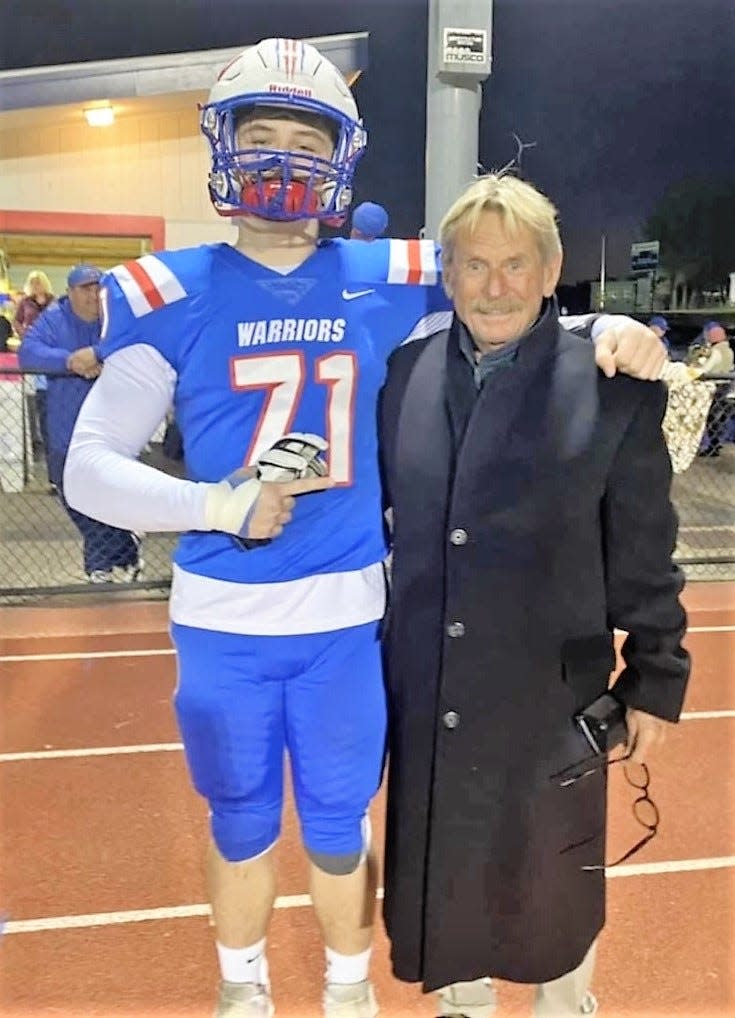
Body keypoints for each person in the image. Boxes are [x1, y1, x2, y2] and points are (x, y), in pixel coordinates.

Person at [63, 38, 667, 1018]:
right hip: (222, 608)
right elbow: (91, 471)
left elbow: (502, 294)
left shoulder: (389, 272)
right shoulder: (169, 290)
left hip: (349, 612)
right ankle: (244, 986)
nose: (281, 162)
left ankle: (350, 992)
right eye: (259, 137)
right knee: (242, 820)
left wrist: (594, 328)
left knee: (343, 822)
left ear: (343, 157)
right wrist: (216, 505)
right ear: (220, 146)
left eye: (306, 141)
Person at [378, 173, 691, 1018]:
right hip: (430, 687)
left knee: (552, 883)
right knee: (446, 880)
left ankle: (566, 1005)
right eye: (473, 265)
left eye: (515, 263)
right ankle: (463, 1006)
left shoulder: (612, 386)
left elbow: (643, 550)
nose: (494, 286)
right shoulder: (404, 374)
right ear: (447, 275)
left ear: (551, 270)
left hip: (550, 693)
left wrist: (657, 677)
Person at [18, 265, 143, 582]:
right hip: (66, 427)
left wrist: (100, 355)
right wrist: (70, 361)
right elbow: (29, 353)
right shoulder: (54, 317)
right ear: (70, 292)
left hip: (112, 428)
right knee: (69, 492)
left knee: (106, 494)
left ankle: (100, 565)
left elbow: (139, 345)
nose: (93, 295)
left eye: (97, 288)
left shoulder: (115, 317)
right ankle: (125, 544)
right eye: (85, 289)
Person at [14, 269, 55, 474]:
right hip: (32, 349)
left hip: (50, 349)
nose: (36, 285)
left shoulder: (53, 302)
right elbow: (16, 321)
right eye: (33, 282)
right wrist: (24, 334)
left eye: (39, 281)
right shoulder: (24, 302)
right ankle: (39, 441)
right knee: (38, 398)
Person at [694, 321, 734, 457]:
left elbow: (706, 369)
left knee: (711, 417)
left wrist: (694, 371)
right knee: (719, 417)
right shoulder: (728, 349)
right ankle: (715, 444)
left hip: (714, 386)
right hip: (725, 385)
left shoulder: (716, 351)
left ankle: (712, 446)